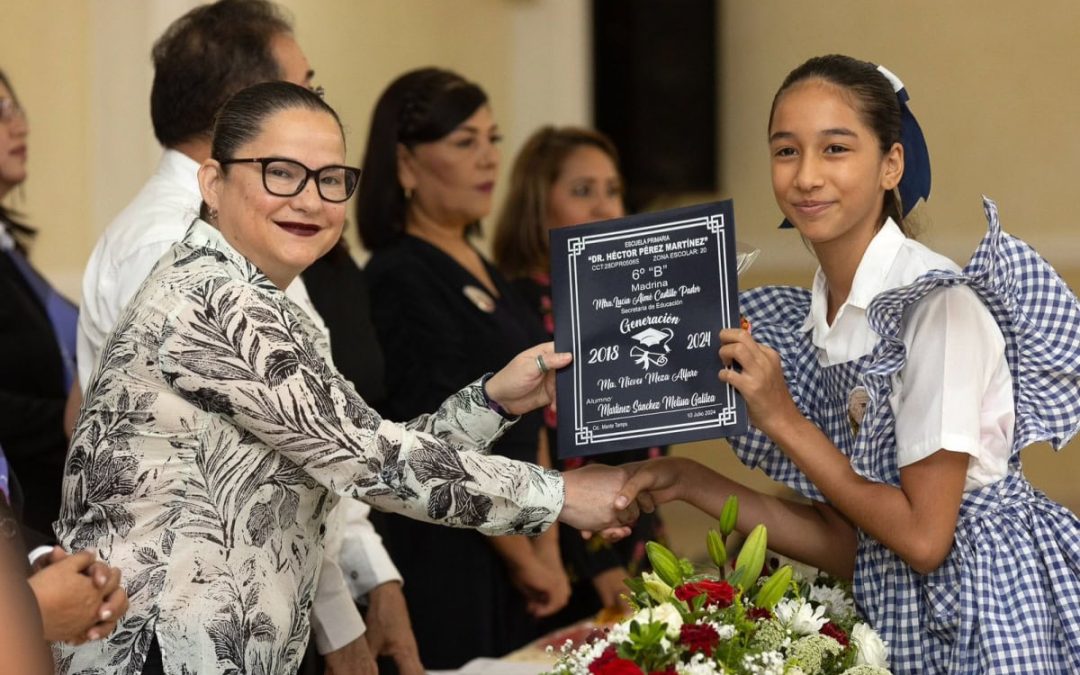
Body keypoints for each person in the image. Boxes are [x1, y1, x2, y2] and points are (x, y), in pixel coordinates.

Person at [55, 80, 635, 675]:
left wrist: (493, 402)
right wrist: (562, 495)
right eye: (282, 173)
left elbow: (358, 449)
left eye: (330, 179)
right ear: (213, 183)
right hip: (156, 651)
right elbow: (373, 464)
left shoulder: (261, 300)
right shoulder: (213, 301)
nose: (310, 201)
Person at [617, 54, 1080, 674]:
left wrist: (783, 418)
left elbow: (923, 541)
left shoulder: (935, 306)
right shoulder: (818, 318)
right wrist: (686, 480)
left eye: (835, 149)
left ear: (892, 164)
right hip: (900, 614)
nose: (807, 176)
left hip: (986, 617)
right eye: (786, 151)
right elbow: (851, 542)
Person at [73, 2, 415, 670]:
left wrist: (371, 578)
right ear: (244, 109)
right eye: (304, 88)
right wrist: (342, 622)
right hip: (184, 632)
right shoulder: (172, 243)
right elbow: (288, 457)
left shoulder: (245, 233)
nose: (317, 104)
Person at [353, 67, 570, 667]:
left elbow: (534, 413)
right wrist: (527, 560)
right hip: (451, 545)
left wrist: (547, 546)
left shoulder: (482, 264)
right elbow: (437, 436)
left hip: (519, 527)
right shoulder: (398, 275)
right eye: (464, 142)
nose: (489, 158)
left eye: (492, 139)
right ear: (405, 162)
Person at [491, 126, 667, 626]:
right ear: (537, 204)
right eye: (582, 190)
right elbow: (534, 448)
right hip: (567, 553)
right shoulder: (519, 304)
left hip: (637, 533)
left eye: (613, 190)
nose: (604, 206)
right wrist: (595, 560)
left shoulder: (625, 301)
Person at [0, 71, 130, 648]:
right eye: (0, 113)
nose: (19, 125)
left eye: (15, 107)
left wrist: (34, 558)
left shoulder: (12, 253)